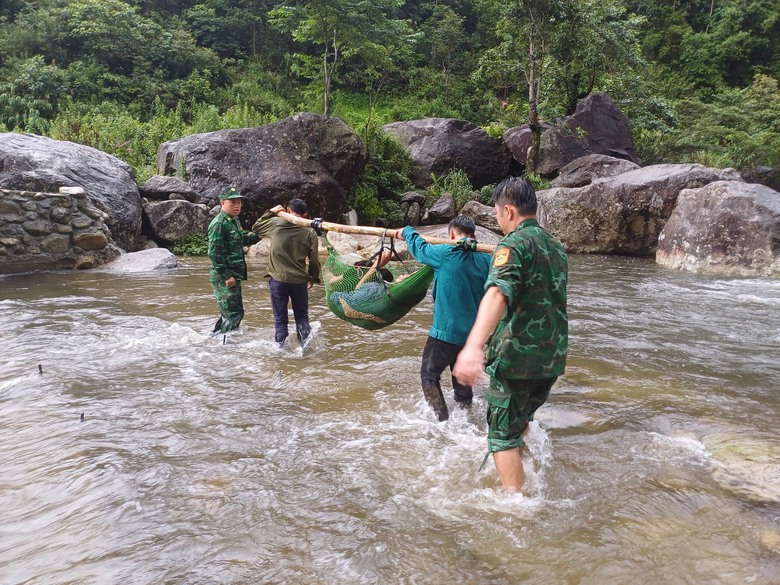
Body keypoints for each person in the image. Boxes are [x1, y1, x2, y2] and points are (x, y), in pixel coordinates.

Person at [453, 176, 568, 492]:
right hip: (551, 360)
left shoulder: (512, 244)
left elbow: (497, 294)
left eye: (498, 213)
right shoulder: (556, 247)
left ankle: (517, 506)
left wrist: (473, 346)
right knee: (519, 421)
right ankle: (520, 469)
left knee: (501, 434)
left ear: (508, 211)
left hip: (518, 359)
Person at [393, 216, 491, 421]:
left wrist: (407, 230)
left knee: (429, 376)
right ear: (474, 236)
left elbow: (419, 249)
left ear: (452, 235)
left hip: (445, 333)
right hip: (472, 337)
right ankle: (466, 417)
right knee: (461, 378)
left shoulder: (445, 254)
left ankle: (442, 420)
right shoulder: (486, 260)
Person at [251, 199, 320, 346]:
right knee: (302, 318)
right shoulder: (310, 231)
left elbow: (256, 227)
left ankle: (280, 350)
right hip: (299, 281)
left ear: (288, 211)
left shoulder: (275, 223)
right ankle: (305, 350)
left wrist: (271, 212)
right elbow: (314, 260)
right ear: (306, 214)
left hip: (278, 280)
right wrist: (312, 278)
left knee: (280, 320)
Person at [207, 186, 259, 334]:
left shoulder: (234, 220)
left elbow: (242, 239)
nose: (237, 206)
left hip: (233, 275)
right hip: (224, 276)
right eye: (233, 202)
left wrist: (258, 236)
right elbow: (214, 253)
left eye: (239, 203)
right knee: (234, 313)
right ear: (223, 203)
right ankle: (228, 347)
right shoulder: (219, 223)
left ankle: (215, 340)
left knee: (229, 312)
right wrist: (227, 276)